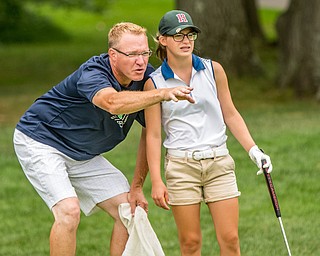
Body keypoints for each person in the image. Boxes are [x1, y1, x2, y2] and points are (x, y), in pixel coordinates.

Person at [13, 22, 194, 256]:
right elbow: (112, 103)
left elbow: (151, 132)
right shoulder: (93, 72)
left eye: (144, 53)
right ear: (113, 55)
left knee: (128, 210)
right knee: (68, 212)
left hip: (82, 154)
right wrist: (160, 94)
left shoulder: (147, 79)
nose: (140, 61)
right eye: (132, 54)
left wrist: (137, 186)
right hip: (42, 140)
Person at [144, 10, 273, 256]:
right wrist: (157, 180)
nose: (186, 41)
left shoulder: (213, 70)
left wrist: (254, 150)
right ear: (162, 39)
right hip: (181, 167)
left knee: (231, 239)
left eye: (190, 34)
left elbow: (231, 114)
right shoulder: (155, 82)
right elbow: (153, 135)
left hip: (219, 163)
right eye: (178, 35)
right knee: (190, 244)